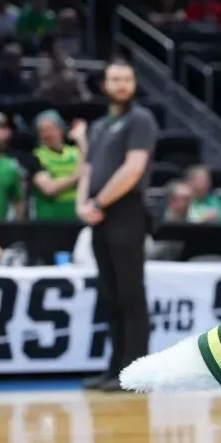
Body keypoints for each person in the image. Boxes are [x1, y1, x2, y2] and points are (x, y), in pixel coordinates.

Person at [76, 58, 158, 392]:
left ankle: (135, 375)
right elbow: (88, 169)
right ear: (105, 84)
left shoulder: (141, 120)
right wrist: (82, 205)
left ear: (134, 84)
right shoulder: (99, 126)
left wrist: (97, 203)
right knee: (109, 294)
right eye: (115, 79)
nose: (121, 84)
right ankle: (114, 370)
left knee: (129, 292)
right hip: (99, 214)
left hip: (126, 211)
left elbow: (133, 169)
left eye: (126, 79)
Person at [27, 110, 81, 220]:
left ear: (61, 130)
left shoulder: (76, 152)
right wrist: (78, 175)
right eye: (42, 131)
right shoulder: (36, 156)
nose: (47, 134)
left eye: (50, 129)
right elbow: (49, 188)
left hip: (77, 216)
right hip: (49, 219)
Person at [0, 112, 24, 221]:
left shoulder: (10, 166)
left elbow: (18, 200)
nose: (7, 133)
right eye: (1, 128)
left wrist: (17, 230)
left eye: (8, 129)